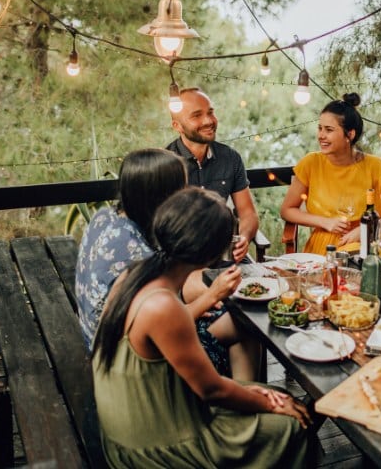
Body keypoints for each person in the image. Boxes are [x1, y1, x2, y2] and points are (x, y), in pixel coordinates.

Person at [93, 187, 312, 468]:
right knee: (293, 424)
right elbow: (213, 391)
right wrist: (269, 403)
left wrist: (258, 395)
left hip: (137, 418)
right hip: (155, 446)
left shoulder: (133, 274)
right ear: (210, 255)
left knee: (269, 394)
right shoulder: (163, 306)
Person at [75, 148, 259, 380]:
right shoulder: (136, 255)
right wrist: (211, 296)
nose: (185, 195)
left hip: (101, 337)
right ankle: (239, 405)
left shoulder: (106, 217)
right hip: (128, 363)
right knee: (245, 327)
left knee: (233, 319)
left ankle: (245, 400)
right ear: (161, 196)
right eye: (181, 188)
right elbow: (151, 327)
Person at [280, 93, 381, 255]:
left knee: (361, 269)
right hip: (326, 248)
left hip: (368, 244)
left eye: (329, 130)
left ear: (350, 134)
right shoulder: (310, 163)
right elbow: (287, 210)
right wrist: (324, 222)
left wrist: (366, 230)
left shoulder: (374, 166)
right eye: (320, 128)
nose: (321, 135)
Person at [166, 87, 259, 264]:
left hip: (225, 257)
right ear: (177, 126)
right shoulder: (166, 165)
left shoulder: (230, 158)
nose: (208, 121)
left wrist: (244, 238)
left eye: (210, 112)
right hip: (182, 263)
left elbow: (248, 214)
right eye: (196, 115)